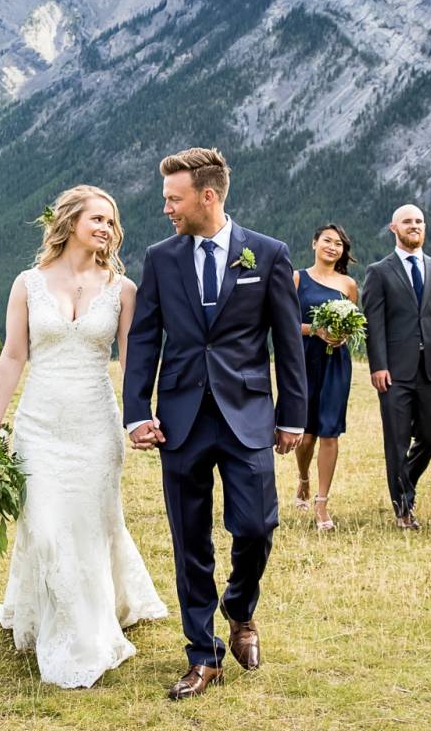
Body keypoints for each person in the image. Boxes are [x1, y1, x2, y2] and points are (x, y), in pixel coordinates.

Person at [123, 147, 308, 701]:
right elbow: (144, 338)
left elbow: (287, 339)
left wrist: (292, 414)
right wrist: (136, 411)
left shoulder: (268, 254)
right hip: (180, 418)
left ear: (208, 196)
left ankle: (240, 609)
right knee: (189, 542)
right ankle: (203, 655)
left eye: (173, 199)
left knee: (256, 527)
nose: (166, 209)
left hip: (248, 414)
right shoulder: (161, 258)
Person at [0, 185, 167, 688]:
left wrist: (142, 415)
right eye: (97, 218)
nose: (106, 228)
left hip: (95, 424)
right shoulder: (28, 283)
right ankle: (53, 617)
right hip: (39, 423)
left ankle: (88, 633)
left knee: (90, 524)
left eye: (111, 221)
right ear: (69, 222)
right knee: (43, 524)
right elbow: (13, 355)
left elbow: (133, 362)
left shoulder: (123, 290)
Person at [361, 204, 431, 529]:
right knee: (397, 441)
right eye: (407, 221)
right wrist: (378, 365)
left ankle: (407, 484)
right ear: (394, 228)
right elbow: (374, 323)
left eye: (418, 221)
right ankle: (403, 509)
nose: (414, 226)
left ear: (424, 227)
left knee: (430, 437)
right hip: (394, 372)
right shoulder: (379, 271)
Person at [292, 224, 359, 531]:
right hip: (305, 360)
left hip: (336, 363)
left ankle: (322, 504)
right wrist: (315, 330)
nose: (333, 247)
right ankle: (303, 478)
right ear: (314, 243)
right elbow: (284, 323)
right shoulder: (297, 278)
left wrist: (342, 335)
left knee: (330, 431)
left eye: (339, 244)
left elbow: (354, 324)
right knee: (306, 435)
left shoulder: (348, 284)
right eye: (327, 241)